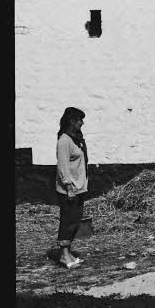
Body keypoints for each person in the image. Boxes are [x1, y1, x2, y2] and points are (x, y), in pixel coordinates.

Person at [55, 106, 89, 269]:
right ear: (72, 121)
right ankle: (63, 255)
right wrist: (69, 187)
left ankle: (68, 253)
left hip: (79, 187)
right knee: (68, 221)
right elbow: (62, 166)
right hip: (69, 189)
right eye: (80, 120)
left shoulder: (75, 139)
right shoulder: (64, 141)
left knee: (75, 222)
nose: (82, 123)